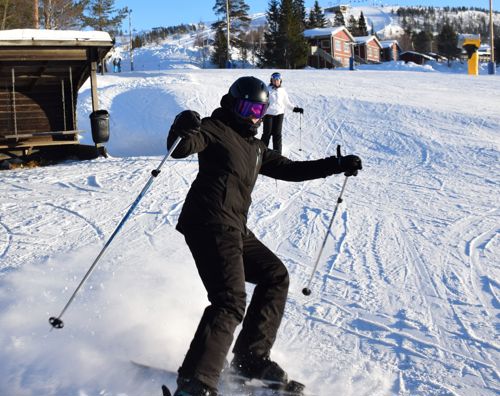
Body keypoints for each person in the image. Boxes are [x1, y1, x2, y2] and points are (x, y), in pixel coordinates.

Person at [166, 76, 362, 396]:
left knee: (275, 275)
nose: (253, 115)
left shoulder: (256, 147)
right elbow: (183, 146)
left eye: (259, 108)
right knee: (229, 300)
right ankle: (195, 382)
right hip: (209, 223)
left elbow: (291, 169)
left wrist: (335, 164)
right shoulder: (215, 129)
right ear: (232, 103)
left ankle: (250, 358)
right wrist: (181, 125)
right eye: (247, 107)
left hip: (236, 228)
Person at [261, 72, 303, 154]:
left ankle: (277, 154)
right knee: (267, 134)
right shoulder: (267, 90)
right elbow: (262, 102)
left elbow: (287, 103)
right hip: (268, 115)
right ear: (271, 80)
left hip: (279, 114)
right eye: (274, 80)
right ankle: (262, 152)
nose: (276, 81)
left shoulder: (282, 91)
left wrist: (295, 109)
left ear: (280, 81)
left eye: (278, 80)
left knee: (277, 135)